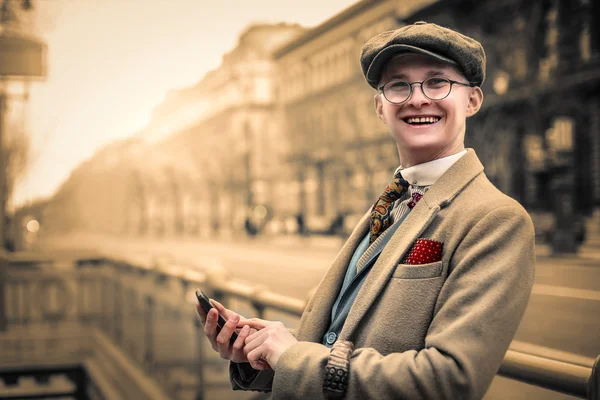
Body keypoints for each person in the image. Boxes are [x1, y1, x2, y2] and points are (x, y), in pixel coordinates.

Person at [196, 21, 535, 399]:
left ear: (472, 100)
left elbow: (448, 381)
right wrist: (263, 356)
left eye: (437, 82)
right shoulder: (389, 202)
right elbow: (336, 343)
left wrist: (293, 357)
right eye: (398, 85)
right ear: (380, 106)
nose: (417, 99)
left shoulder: (496, 219)